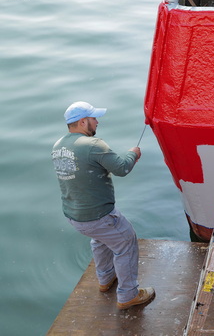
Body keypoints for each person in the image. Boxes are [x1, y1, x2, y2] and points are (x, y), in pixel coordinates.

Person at [51, 101, 155, 310]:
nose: (97, 122)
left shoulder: (58, 145)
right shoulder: (93, 145)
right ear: (83, 122)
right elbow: (122, 168)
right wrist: (133, 153)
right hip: (99, 216)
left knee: (100, 240)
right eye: (94, 118)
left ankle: (105, 279)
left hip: (75, 217)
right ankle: (128, 296)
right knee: (126, 242)